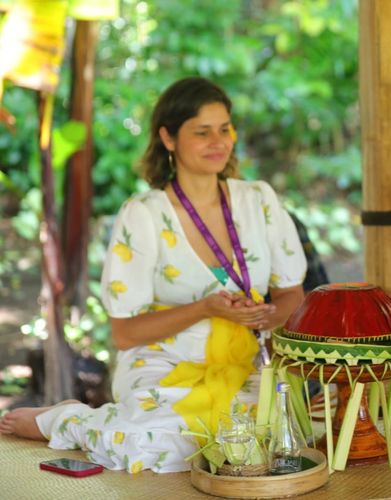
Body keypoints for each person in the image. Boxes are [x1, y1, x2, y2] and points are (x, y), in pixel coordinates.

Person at [0, 77, 307, 473]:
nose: (219, 141)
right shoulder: (143, 214)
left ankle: (103, 423)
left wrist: (263, 316)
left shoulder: (258, 200)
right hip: (162, 358)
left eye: (225, 128)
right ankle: (68, 419)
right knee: (152, 447)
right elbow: (125, 334)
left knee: (259, 446)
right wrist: (205, 309)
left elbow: (292, 295)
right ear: (168, 137)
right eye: (202, 132)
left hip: (246, 358)